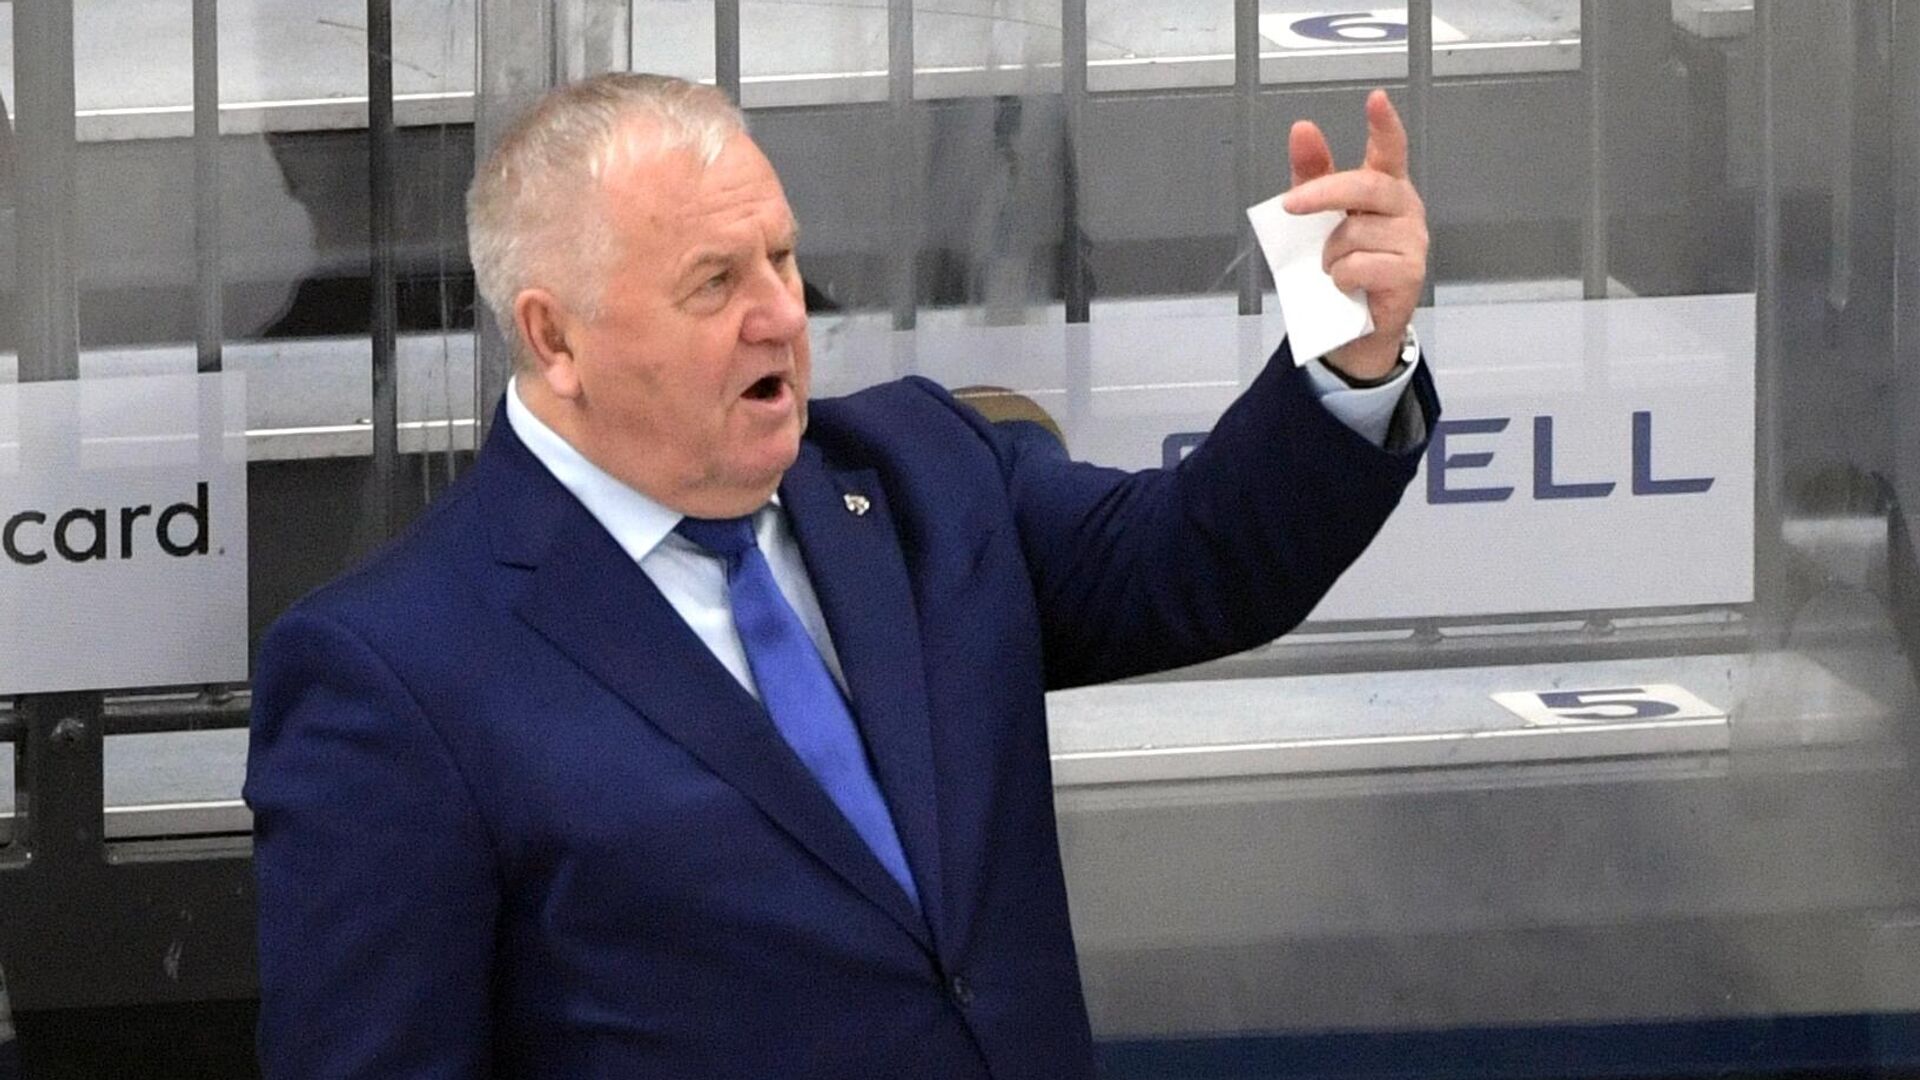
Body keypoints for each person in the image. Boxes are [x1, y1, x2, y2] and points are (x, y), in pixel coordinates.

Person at [245, 73, 1438, 1078]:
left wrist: (1346, 352)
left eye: (782, 257)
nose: (782, 315)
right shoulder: (396, 670)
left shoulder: (926, 473)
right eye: (715, 283)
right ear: (556, 337)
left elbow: (1197, 560)